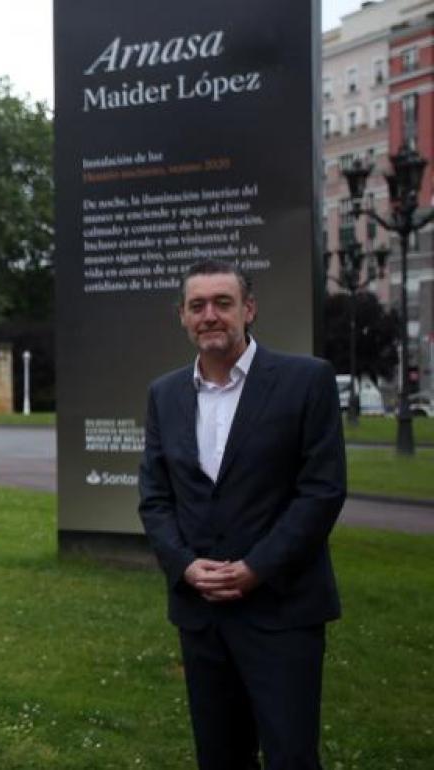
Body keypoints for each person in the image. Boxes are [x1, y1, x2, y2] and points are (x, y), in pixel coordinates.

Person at [138, 260, 346, 770]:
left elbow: (321, 492)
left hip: (282, 610)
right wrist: (184, 565)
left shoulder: (306, 381)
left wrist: (257, 568)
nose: (210, 315)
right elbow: (156, 498)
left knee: (291, 756)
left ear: (248, 309)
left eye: (222, 303)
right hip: (201, 616)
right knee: (220, 757)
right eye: (197, 306)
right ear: (183, 318)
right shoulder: (164, 395)